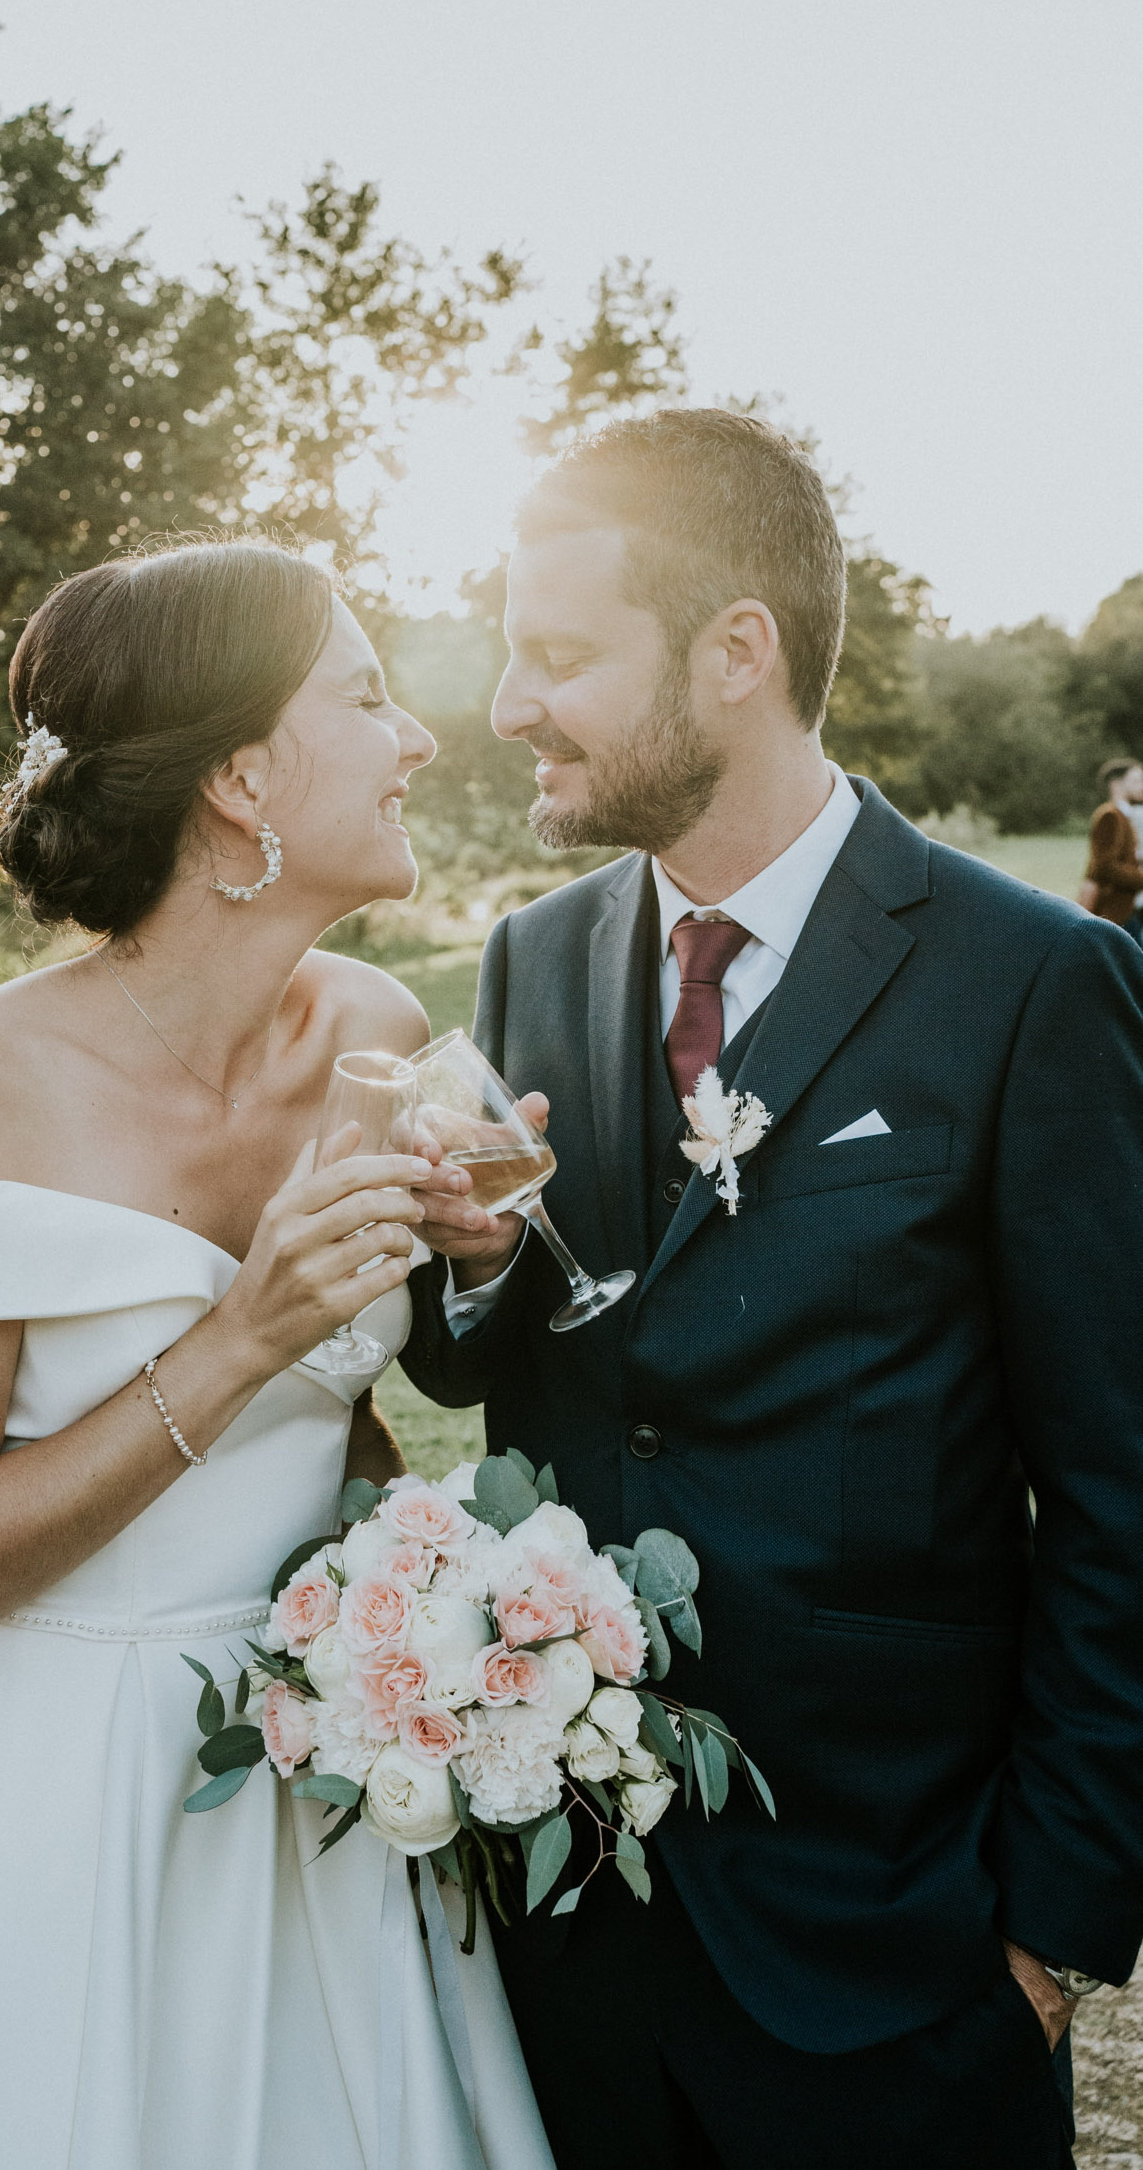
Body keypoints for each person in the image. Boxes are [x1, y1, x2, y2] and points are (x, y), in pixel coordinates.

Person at [0, 540, 556, 2170]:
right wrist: (242, 1332)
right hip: (43, 1807)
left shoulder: (378, 1032)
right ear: (238, 774)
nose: (418, 736)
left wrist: (461, 1299)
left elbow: (353, 1423)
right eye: (366, 693)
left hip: (315, 1779)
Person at [405, 411, 1143, 2170]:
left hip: (901, 1946)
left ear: (739, 648)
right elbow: (504, 1364)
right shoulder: (537, 953)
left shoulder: (1038, 983)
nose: (509, 703)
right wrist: (484, 1262)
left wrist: (1053, 1933)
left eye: (560, 653)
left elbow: (1123, 1488)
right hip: (575, 1926)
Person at [1083, 755, 1143, 940]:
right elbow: (1104, 867)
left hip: (1127, 909)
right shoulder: (1110, 815)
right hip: (1115, 914)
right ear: (1116, 785)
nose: (1141, 785)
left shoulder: (1124, 816)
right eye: (1136, 780)